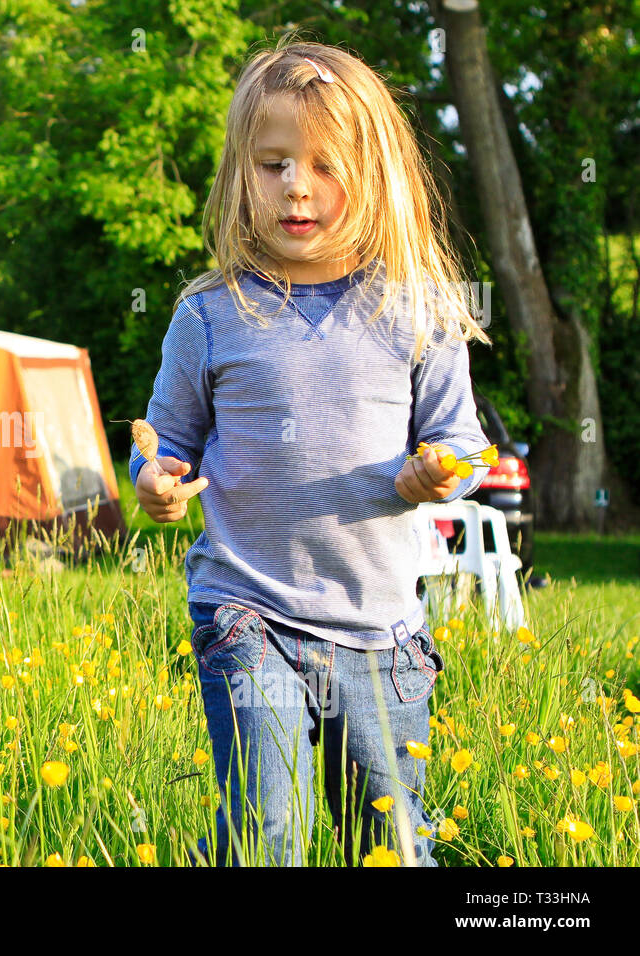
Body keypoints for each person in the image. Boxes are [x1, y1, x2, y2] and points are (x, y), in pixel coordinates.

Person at [131, 39, 494, 867]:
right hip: (247, 611)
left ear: (375, 177)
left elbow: (464, 445)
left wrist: (436, 470)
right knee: (267, 830)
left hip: (382, 633)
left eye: (325, 164)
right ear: (240, 175)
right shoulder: (209, 316)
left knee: (395, 843)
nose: (296, 184)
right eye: (272, 163)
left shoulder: (420, 313)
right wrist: (156, 482)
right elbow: (167, 445)